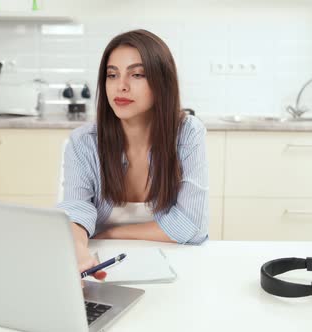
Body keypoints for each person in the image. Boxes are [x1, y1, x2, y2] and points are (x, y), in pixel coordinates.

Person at [57, 29, 209, 281]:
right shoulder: (83, 141)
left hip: (178, 266)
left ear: (162, 82)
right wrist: (77, 248)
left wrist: (108, 233)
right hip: (102, 267)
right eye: (112, 75)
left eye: (136, 74)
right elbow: (76, 208)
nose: (121, 86)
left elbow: (190, 226)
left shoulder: (188, 133)